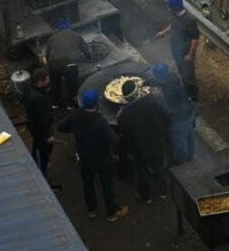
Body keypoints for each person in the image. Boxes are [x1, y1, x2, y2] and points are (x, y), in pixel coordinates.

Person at [58, 89, 129, 222]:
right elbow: (115, 140)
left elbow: (60, 127)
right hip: (102, 159)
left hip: (84, 157)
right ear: (97, 104)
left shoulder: (74, 115)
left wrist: (75, 130)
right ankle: (112, 213)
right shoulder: (100, 122)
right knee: (107, 185)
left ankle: (92, 210)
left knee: (88, 184)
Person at [118, 87, 171, 204]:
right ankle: (163, 191)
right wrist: (164, 130)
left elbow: (123, 130)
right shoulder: (152, 101)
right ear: (137, 93)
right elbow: (167, 114)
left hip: (139, 148)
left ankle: (146, 196)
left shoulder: (125, 113)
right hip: (156, 142)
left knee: (141, 171)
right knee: (158, 166)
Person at [155, 0, 200, 100]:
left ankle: (193, 97)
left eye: (169, 6)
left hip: (185, 52)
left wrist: (190, 55)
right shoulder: (175, 15)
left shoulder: (190, 20)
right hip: (176, 49)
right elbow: (173, 24)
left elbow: (195, 39)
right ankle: (185, 86)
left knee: (188, 76)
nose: (168, 8)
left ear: (174, 8)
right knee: (181, 71)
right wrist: (164, 32)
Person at [24, 67, 61, 189]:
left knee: (37, 148)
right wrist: (47, 136)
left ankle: (36, 161)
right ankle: (44, 181)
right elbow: (41, 121)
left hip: (33, 126)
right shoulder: (38, 98)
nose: (48, 82)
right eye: (46, 80)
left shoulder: (29, 88)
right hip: (40, 131)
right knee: (42, 152)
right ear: (40, 81)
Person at [155, 63, 195, 164]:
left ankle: (181, 161)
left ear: (161, 76)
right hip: (189, 111)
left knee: (179, 140)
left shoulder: (169, 88)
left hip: (180, 116)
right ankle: (191, 155)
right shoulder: (172, 76)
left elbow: (169, 105)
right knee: (189, 134)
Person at [45, 18, 86, 109]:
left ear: (59, 28)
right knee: (71, 84)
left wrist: (50, 65)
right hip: (70, 64)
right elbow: (85, 49)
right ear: (69, 27)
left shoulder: (52, 38)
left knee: (55, 84)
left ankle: (54, 103)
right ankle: (70, 105)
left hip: (54, 64)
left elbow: (47, 55)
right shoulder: (76, 35)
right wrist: (89, 57)